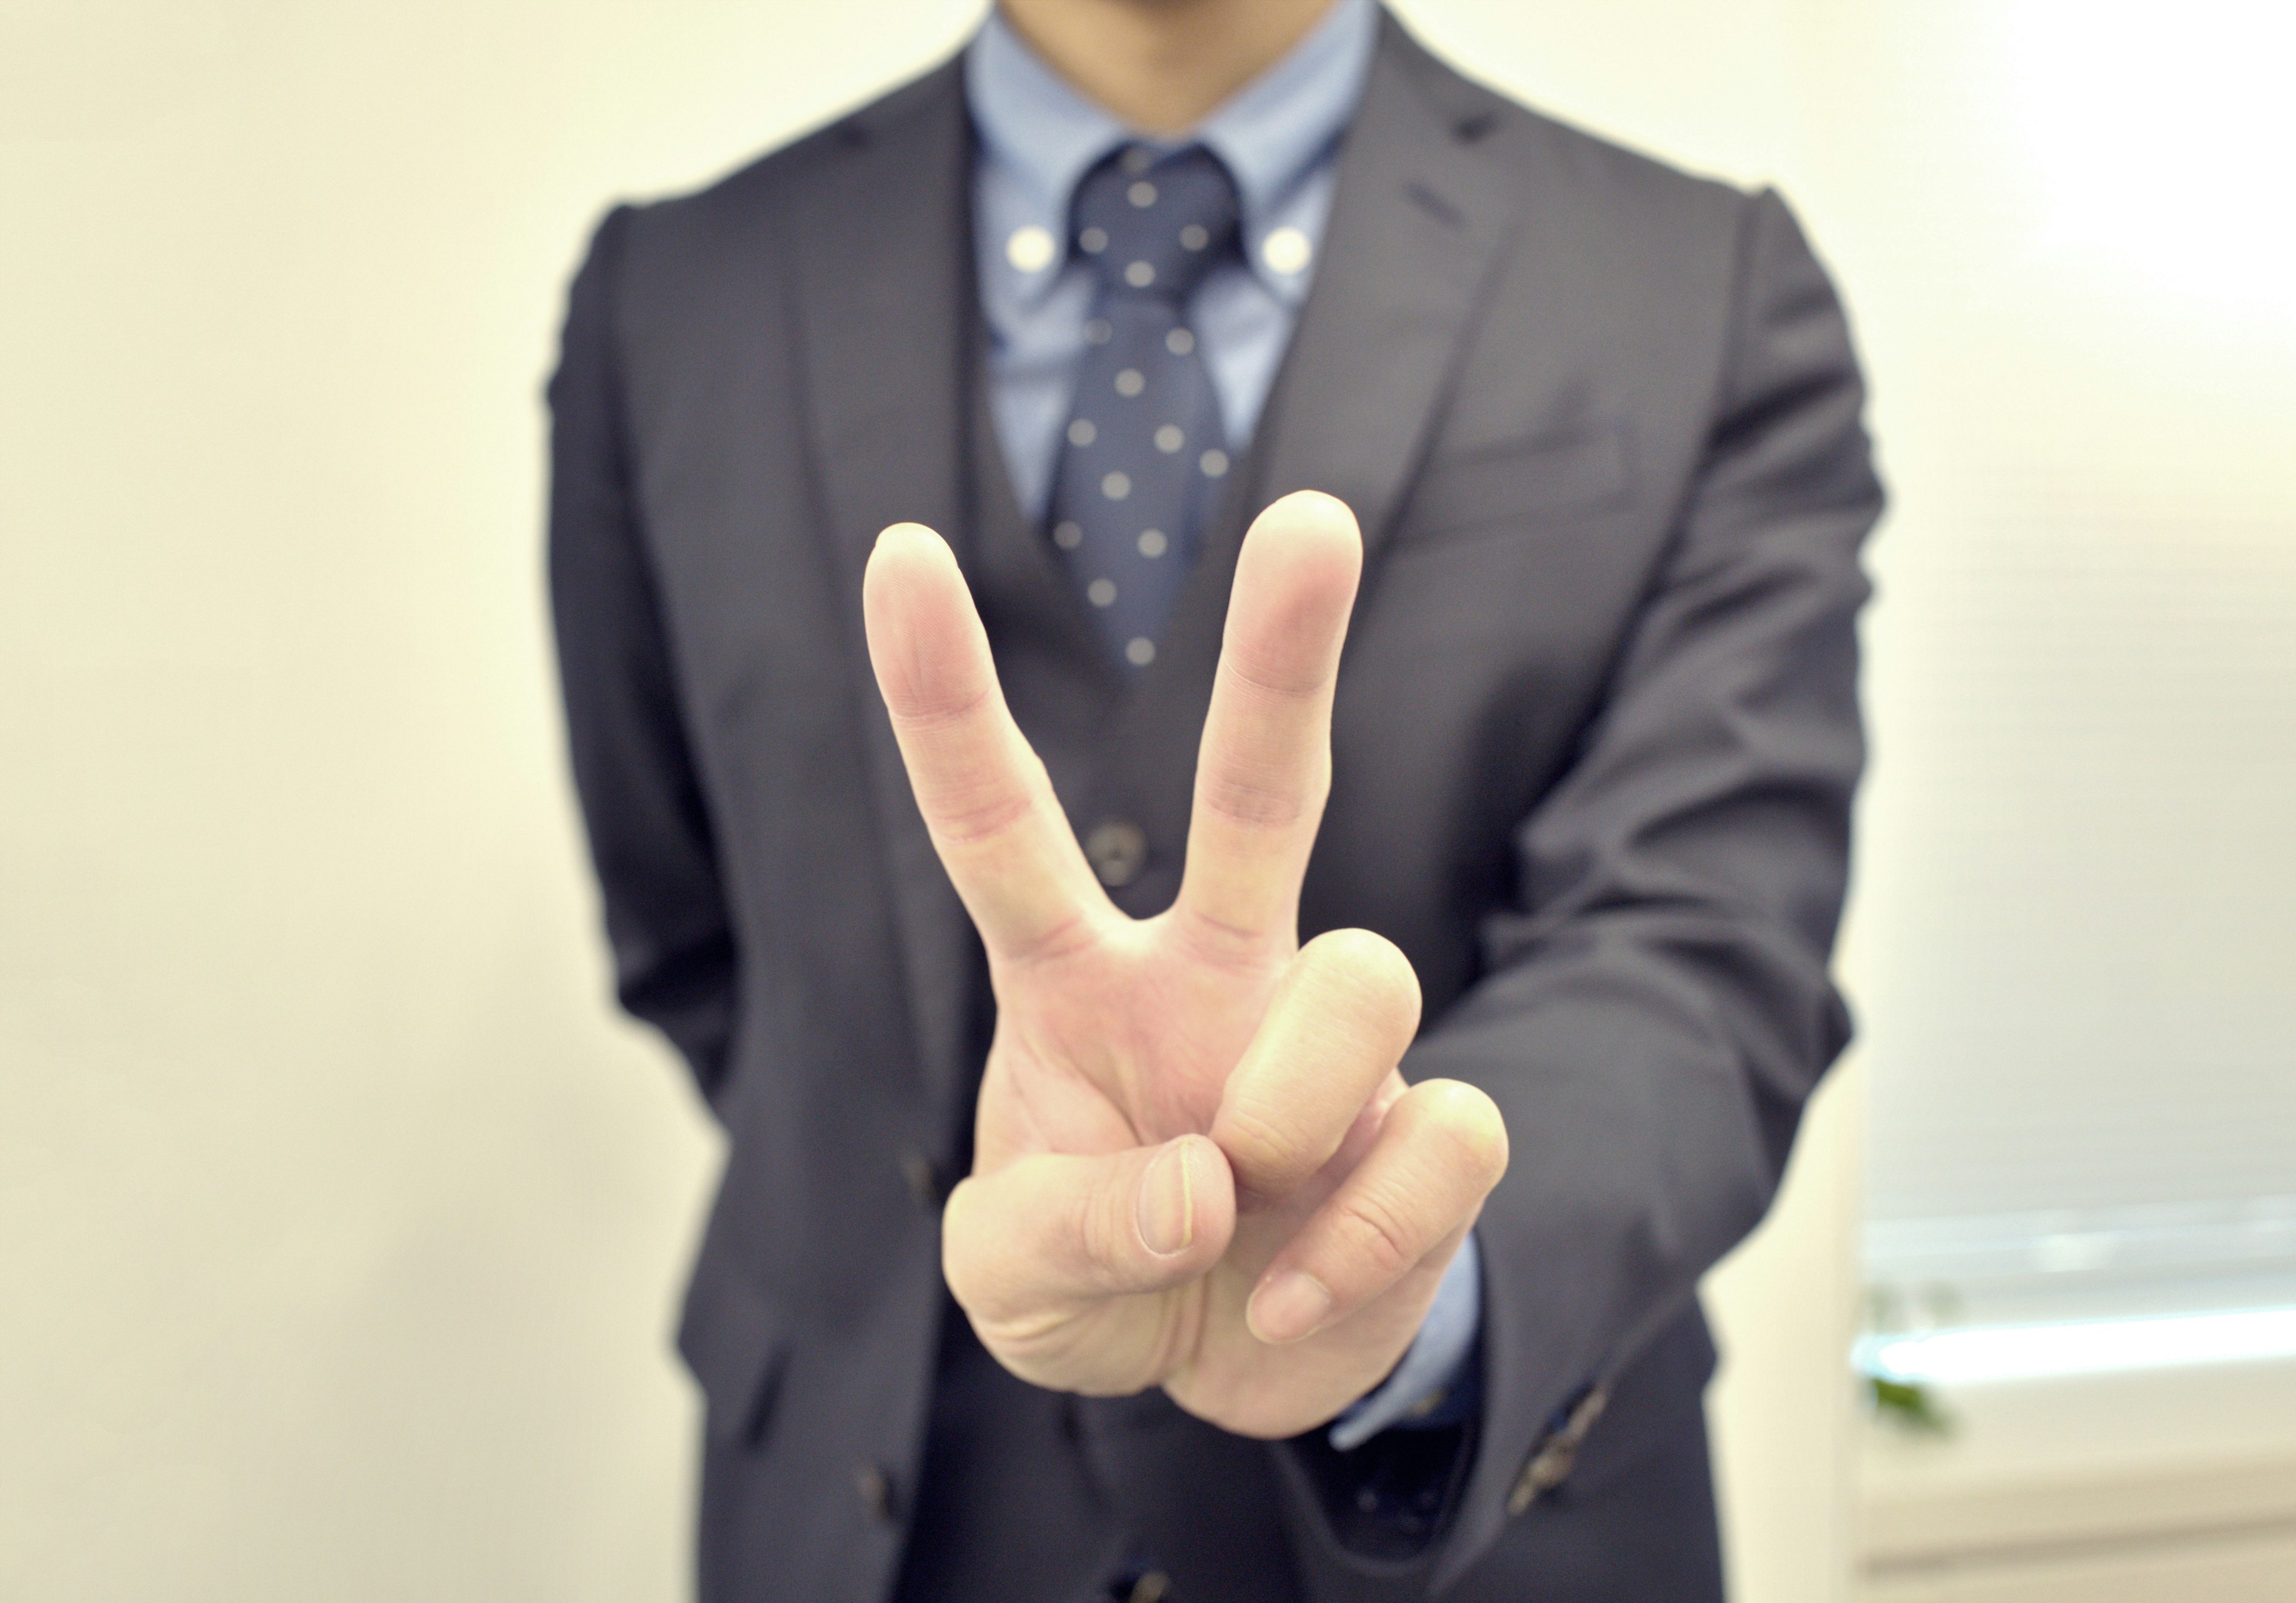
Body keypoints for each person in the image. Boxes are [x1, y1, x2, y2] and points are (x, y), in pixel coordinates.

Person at [545, 0, 1882, 1597]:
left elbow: (1708, 949)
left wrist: (1384, 1269)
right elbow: (690, 938)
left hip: (1496, 1528)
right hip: (861, 1522)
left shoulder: (1699, 287)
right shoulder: (676, 298)